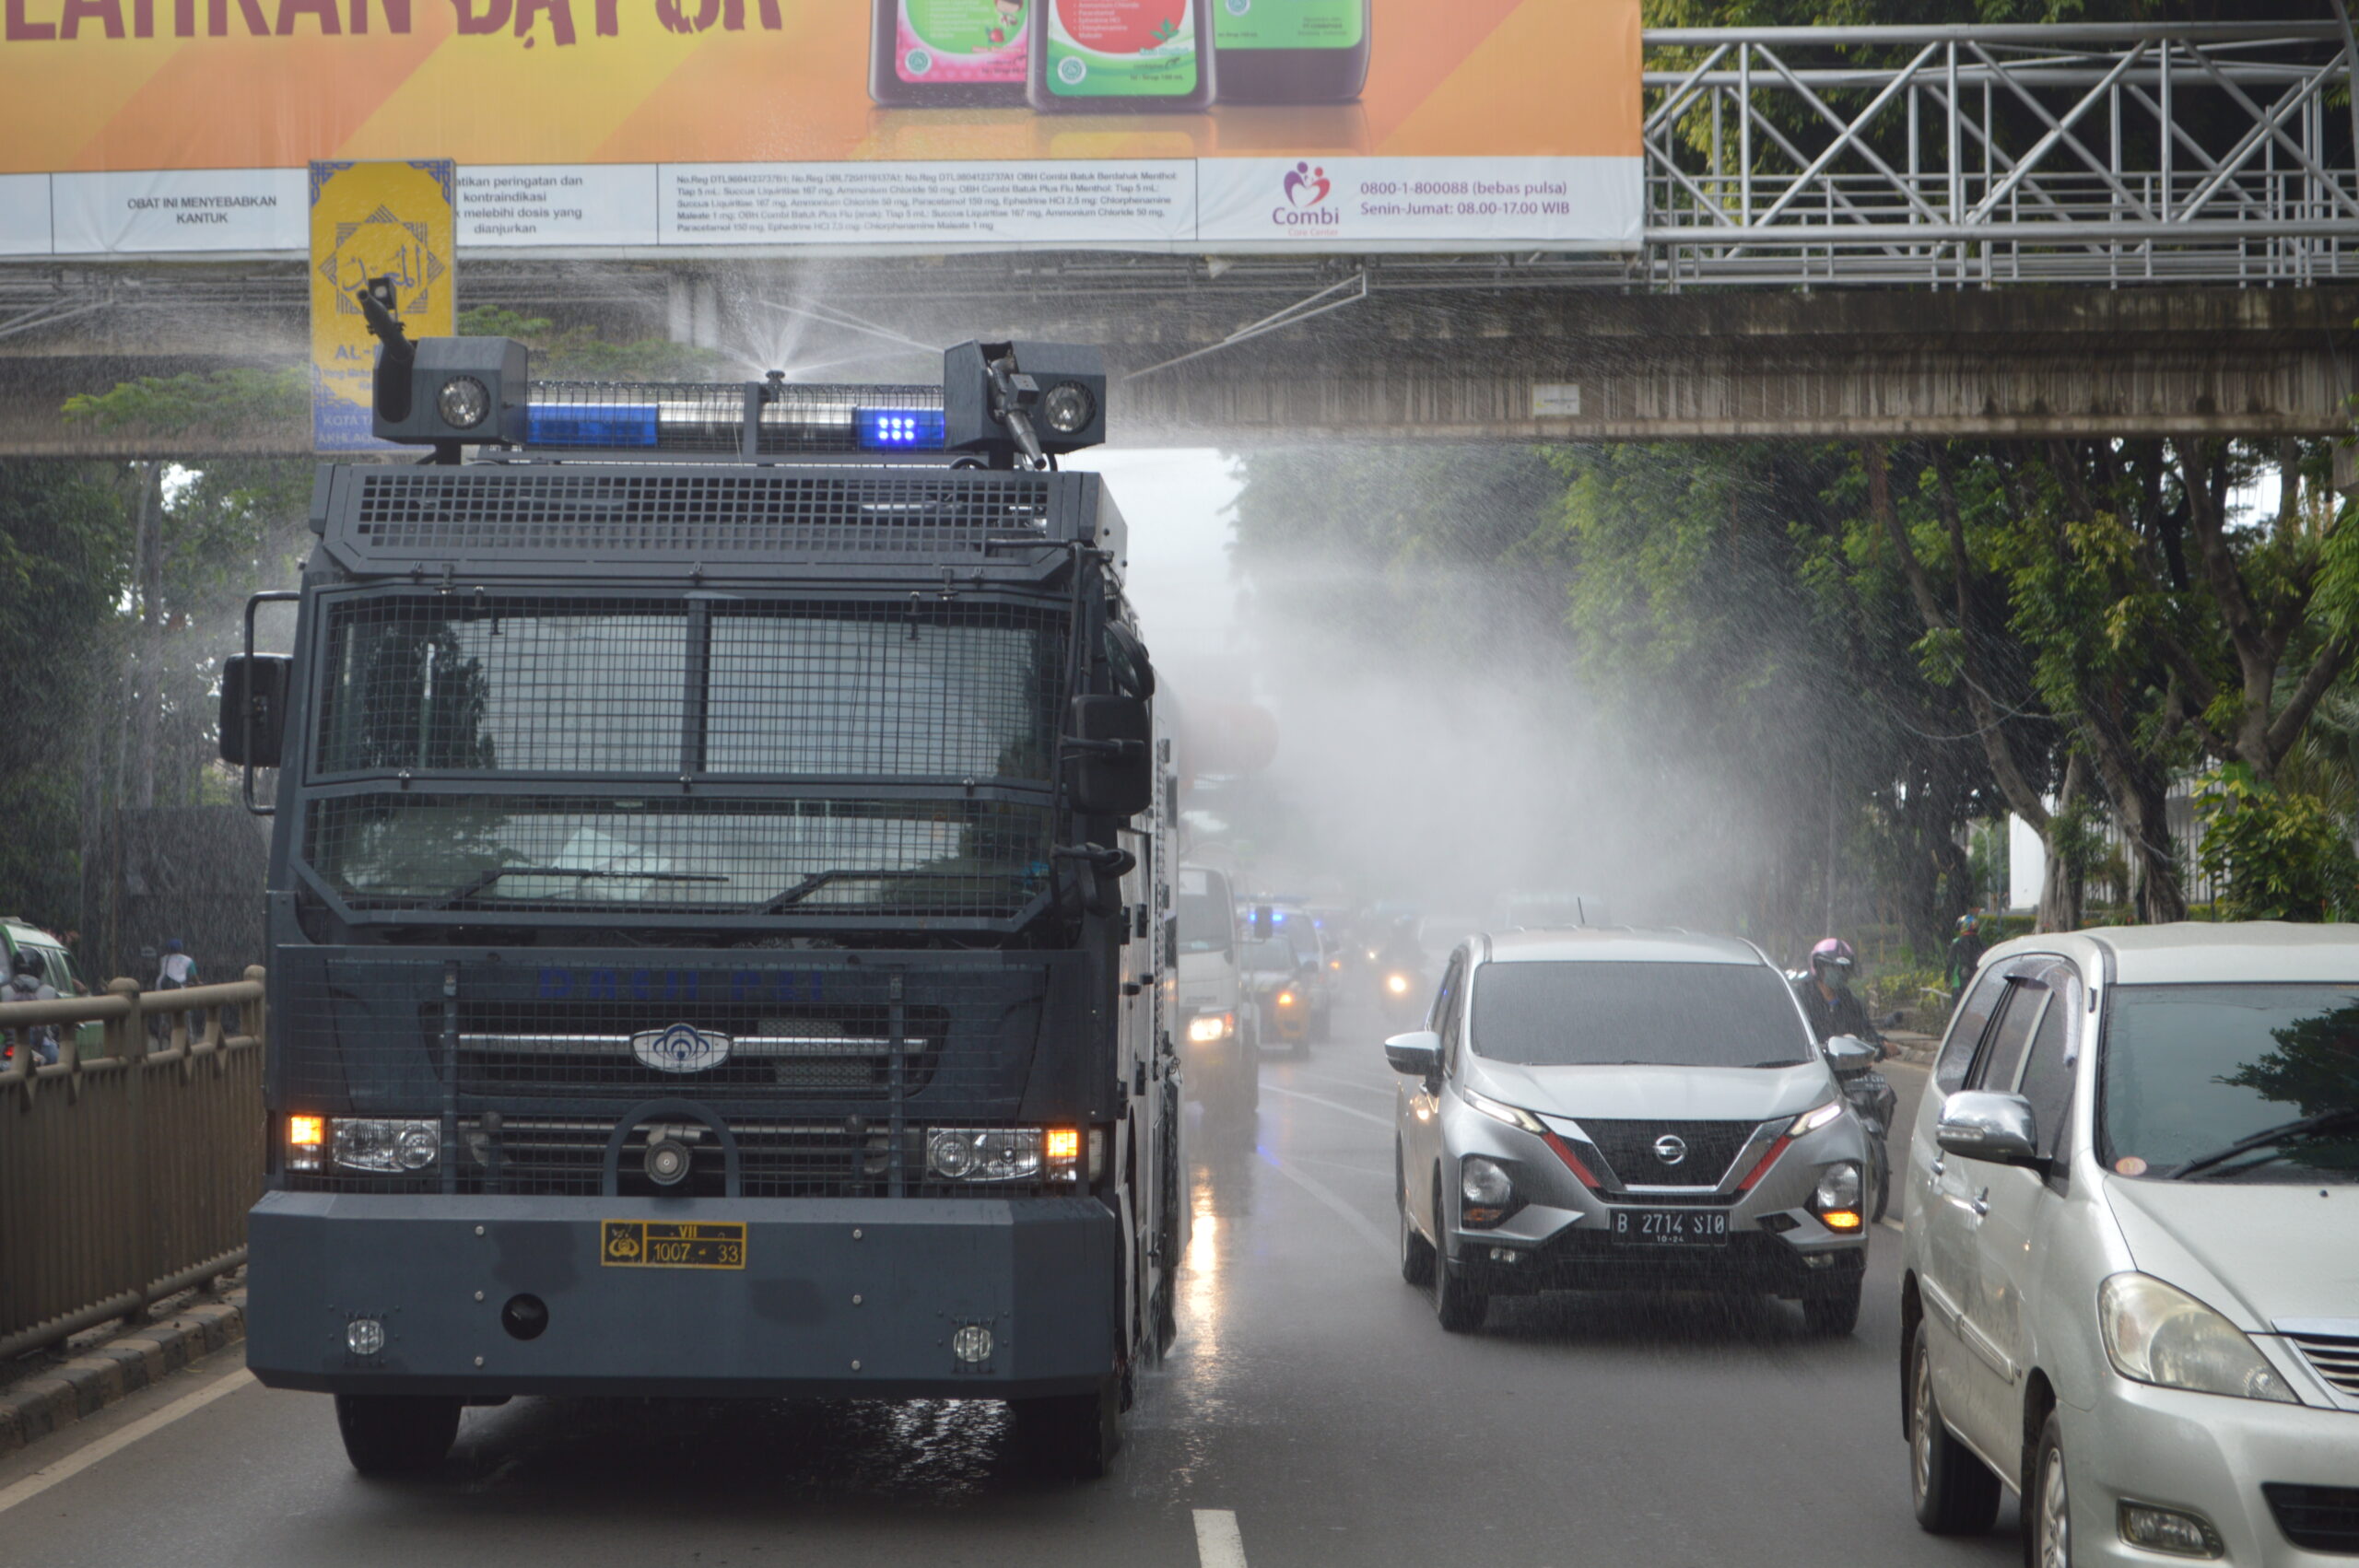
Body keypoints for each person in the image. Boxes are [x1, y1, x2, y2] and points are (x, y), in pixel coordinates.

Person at [1792, 937, 1883, 1051]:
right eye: (1833, 967)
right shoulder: (1799, 999)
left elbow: (1866, 1033)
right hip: (1811, 1065)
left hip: (1847, 1066)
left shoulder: (1851, 1003)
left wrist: (1881, 1044)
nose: (1839, 973)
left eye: (1844, 969)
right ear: (1819, 967)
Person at [6, 949, 61, 1066]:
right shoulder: (50, 992)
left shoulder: (4, 991)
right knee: (60, 1061)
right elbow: (57, 1025)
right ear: (40, 969)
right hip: (41, 1047)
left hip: (11, 1046)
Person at [154, 937, 199, 1043]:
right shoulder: (188, 960)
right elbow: (193, 977)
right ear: (181, 948)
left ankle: (164, 1028)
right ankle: (189, 1035)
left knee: (164, 1012)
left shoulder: (163, 959)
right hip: (177, 987)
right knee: (186, 1012)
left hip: (161, 987)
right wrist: (198, 983)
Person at [1945, 911, 1986, 1001]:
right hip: (1977, 982)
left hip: (1959, 983)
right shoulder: (1981, 943)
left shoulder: (1957, 942)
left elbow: (1951, 962)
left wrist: (1947, 978)